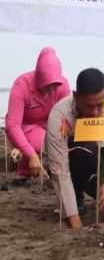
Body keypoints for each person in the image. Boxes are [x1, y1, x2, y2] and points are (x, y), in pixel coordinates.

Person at [45, 68, 104, 229]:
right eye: (88, 106)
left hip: (101, 159)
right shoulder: (59, 115)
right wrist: (75, 222)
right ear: (76, 96)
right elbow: (59, 170)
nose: (95, 112)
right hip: (75, 161)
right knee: (83, 152)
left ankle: (103, 195)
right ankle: (77, 198)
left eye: (99, 105)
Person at [5, 47, 71, 184]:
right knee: (42, 141)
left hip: (49, 126)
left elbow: (67, 117)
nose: (52, 89)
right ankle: (25, 167)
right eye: (48, 85)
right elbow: (12, 125)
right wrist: (31, 155)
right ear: (39, 78)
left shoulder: (63, 86)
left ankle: (29, 171)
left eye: (55, 85)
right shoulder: (21, 86)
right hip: (24, 127)